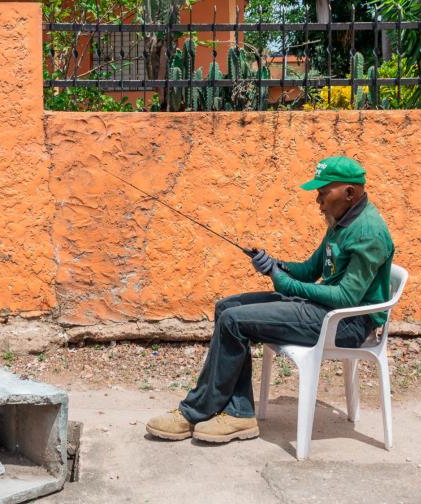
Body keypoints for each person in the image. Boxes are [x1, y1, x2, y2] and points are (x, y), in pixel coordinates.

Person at [146, 156, 395, 443]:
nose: (318, 201)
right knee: (227, 308)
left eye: (323, 193)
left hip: (346, 324)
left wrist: (288, 285)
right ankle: (238, 412)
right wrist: (275, 265)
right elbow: (311, 270)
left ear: (349, 193)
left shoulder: (368, 232)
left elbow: (346, 297)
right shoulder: (341, 221)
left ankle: (196, 412)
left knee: (234, 321)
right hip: (325, 311)